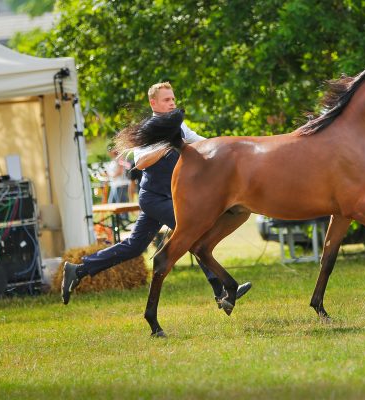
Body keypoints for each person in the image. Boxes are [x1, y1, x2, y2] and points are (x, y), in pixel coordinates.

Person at [62, 82, 251, 307]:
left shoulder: (179, 127)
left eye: (173, 99)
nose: (172, 103)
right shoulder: (148, 131)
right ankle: (221, 292)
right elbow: (140, 162)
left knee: (134, 246)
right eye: (166, 100)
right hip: (153, 199)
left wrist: (229, 151)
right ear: (154, 103)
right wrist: (167, 145)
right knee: (195, 234)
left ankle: (79, 269)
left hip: (171, 198)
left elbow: (204, 143)